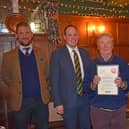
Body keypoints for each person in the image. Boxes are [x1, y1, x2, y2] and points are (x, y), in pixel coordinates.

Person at [1, 22, 50, 129]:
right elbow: (5, 77)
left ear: (32, 34)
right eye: (21, 33)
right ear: (16, 36)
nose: (25, 35)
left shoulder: (41, 53)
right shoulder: (8, 56)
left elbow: (46, 73)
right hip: (20, 103)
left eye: (27, 32)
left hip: (41, 101)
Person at [83, 33, 129, 129]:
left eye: (108, 43)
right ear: (98, 47)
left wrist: (122, 84)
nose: (105, 46)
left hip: (118, 109)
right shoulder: (91, 64)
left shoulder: (122, 62)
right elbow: (85, 88)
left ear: (112, 46)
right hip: (98, 110)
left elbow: (127, 85)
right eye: (102, 43)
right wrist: (93, 84)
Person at [50, 24, 91, 129]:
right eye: (70, 35)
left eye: (75, 35)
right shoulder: (57, 54)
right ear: (65, 37)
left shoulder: (85, 53)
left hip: (85, 100)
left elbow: (90, 75)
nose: (73, 37)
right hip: (68, 102)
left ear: (78, 36)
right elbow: (54, 81)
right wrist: (58, 103)